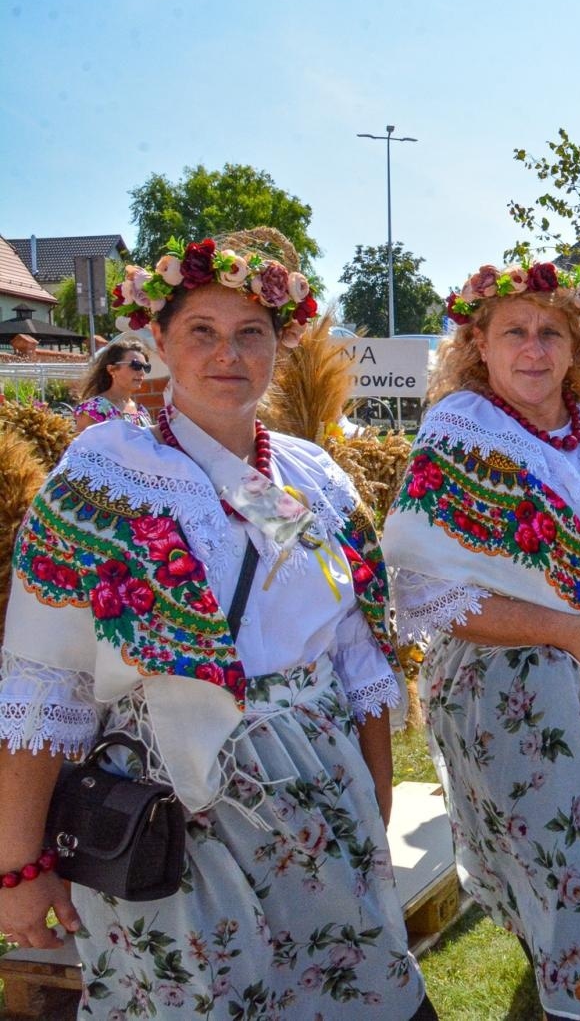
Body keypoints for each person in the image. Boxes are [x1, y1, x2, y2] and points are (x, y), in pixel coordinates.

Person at [0, 231, 432, 1019]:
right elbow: (45, 681)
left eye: (250, 333)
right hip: (167, 812)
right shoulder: (104, 477)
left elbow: (356, 654)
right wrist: (18, 867)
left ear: (279, 345)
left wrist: (374, 799)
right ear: (158, 341)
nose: (228, 354)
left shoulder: (306, 476)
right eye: (202, 331)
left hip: (318, 794)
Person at [382, 258, 580, 1020]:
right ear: (478, 344)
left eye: (552, 332)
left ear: (578, 348)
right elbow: (425, 590)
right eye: (514, 331)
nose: (534, 348)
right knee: (569, 869)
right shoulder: (462, 432)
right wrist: (567, 629)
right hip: (521, 678)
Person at [72, 337, 154, 430]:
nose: (142, 372)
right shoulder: (94, 409)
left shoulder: (141, 411)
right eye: (136, 365)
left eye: (145, 367)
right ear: (111, 369)